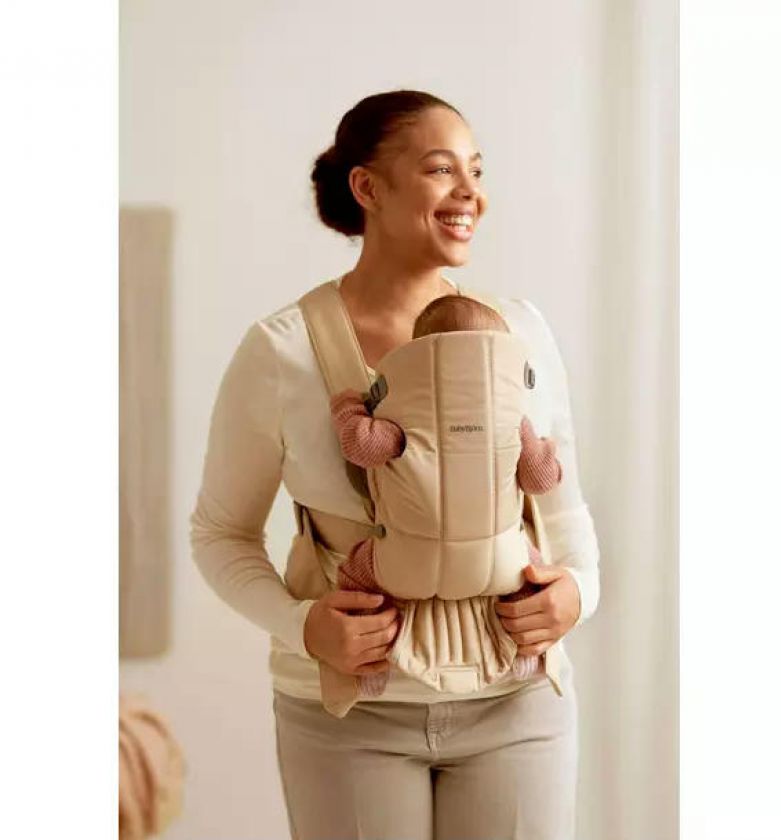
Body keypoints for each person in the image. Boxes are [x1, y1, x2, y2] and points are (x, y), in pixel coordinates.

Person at [189, 89, 600, 840]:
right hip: (349, 713)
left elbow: (562, 509)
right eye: (442, 170)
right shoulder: (282, 350)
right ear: (368, 187)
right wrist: (303, 626)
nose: (470, 193)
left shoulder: (521, 332)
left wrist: (577, 596)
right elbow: (220, 534)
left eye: (476, 171)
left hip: (519, 704)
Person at [330, 292, 564, 699]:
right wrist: (545, 450)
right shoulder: (514, 422)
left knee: (354, 577)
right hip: (503, 562)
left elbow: (360, 446)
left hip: (405, 563)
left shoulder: (403, 421)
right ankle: (528, 651)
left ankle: (372, 659)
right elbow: (539, 480)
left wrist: (348, 408)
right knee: (535, 572)